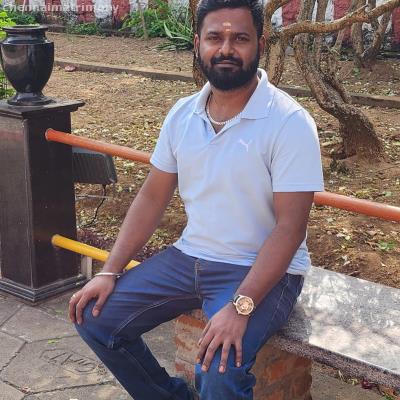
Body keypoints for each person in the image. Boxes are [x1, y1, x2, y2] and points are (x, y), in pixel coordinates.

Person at [69, 0, 324, 398]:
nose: (226, 49)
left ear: (260, 43)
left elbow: (290, 228)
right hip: (189, 258)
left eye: (240, 38)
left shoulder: (289, 122)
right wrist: (109, 271)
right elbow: (152, 197)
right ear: (197, 44)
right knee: (94, 317)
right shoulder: (183, 114)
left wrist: (240, 306)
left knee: (219, 367)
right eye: (214, 37)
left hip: (262, 270)